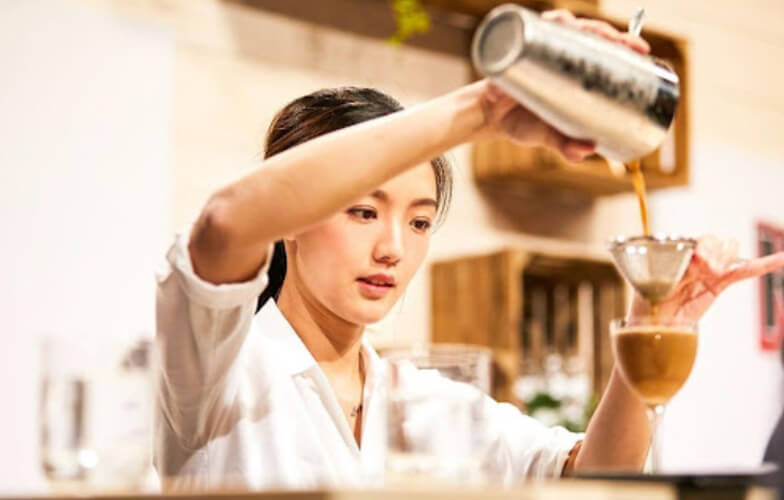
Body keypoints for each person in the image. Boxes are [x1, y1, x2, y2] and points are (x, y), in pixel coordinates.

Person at [153, 11, 784, 491]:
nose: (393, 248)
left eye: (420, 222)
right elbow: (225, 223)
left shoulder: (426, 400)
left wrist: (651, 322)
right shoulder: (216, 375)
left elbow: (597, 474)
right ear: (292, 221)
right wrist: (485, 106)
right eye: (364, 211)